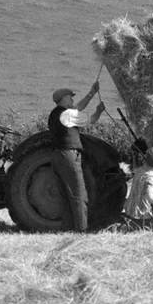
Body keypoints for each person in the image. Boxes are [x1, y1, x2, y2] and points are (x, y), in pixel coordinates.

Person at [48, 81, 106, 232]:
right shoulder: (67, 115)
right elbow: (89, 120)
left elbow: (77, 108)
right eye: (70, 97)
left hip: (56, 155)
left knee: (66, 194)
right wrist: (99, 112)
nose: (73, 100)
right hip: (69, 155)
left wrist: (92, 93)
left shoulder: (56, 114)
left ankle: (67, 228)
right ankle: (82, 230)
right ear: (63, 99)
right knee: (79, 194)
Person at [123, 147, 153, 229]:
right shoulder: (150, 177)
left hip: (129, 213)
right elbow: (150, 197)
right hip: (142, 216)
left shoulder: (139, 171)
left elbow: (142, 186)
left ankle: (129, 225)